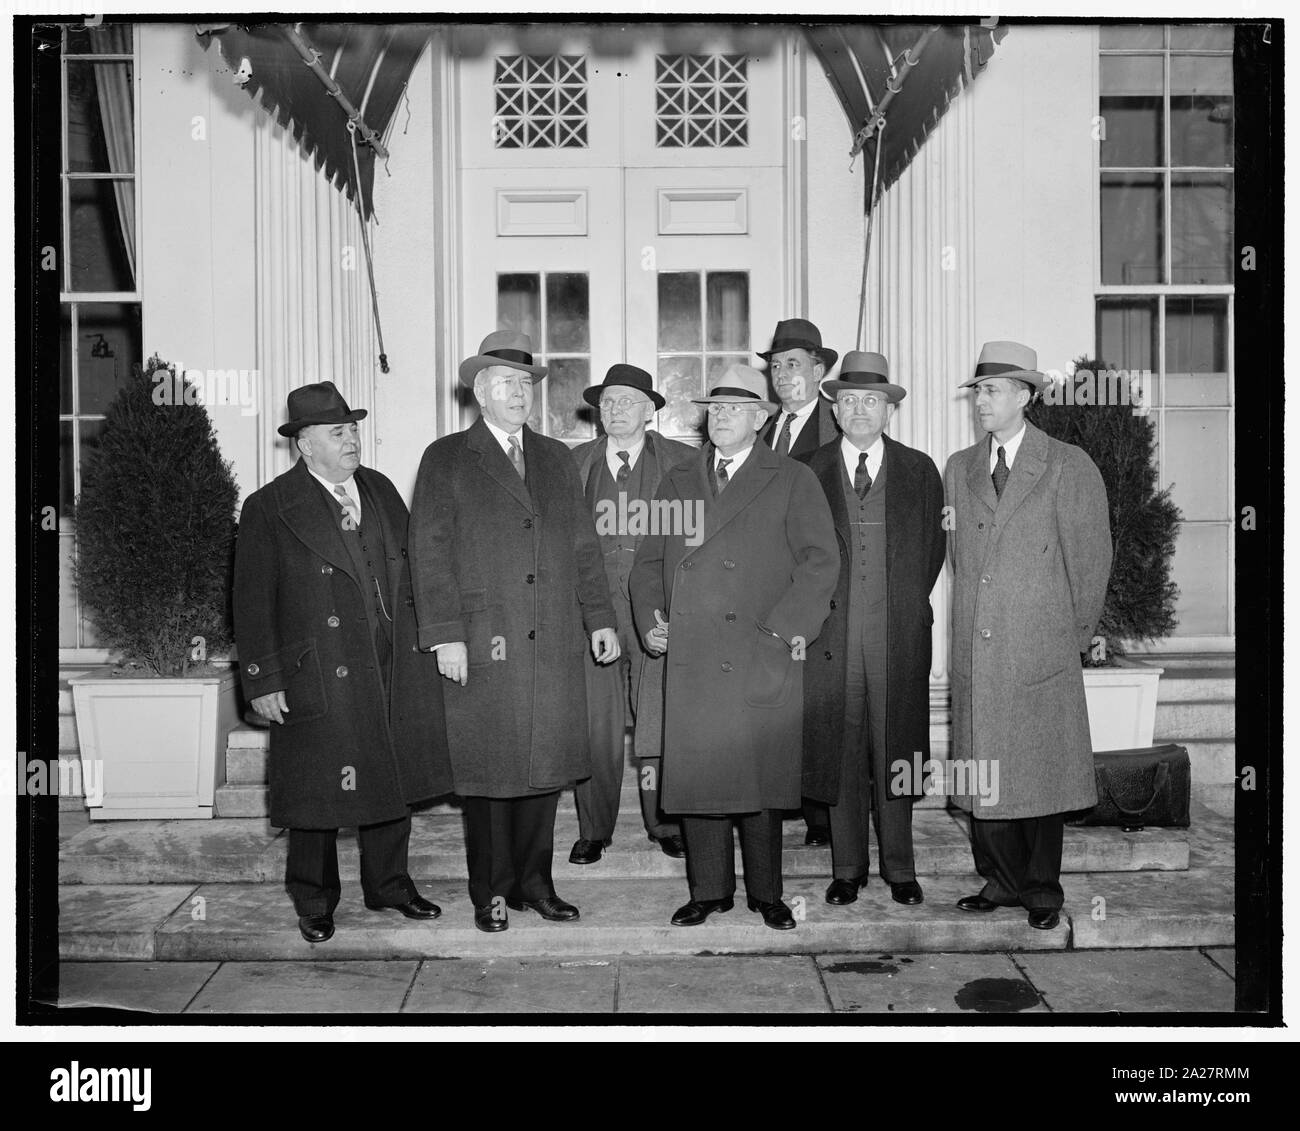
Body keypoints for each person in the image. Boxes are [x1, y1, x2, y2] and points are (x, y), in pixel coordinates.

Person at [408, 331, 619, 933]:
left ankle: (536, 885)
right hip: (482, 641)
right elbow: (429, 551)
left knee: (544, 773)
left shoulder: (555, 456)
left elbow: (584, 548)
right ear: (480, 392)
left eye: (527, 384)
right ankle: (491, 893)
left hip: (551, 641)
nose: (520, 394)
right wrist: (445, 634)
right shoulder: (446, 457)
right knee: (490, 778)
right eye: (507, 383)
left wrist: (599, 619)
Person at [233, 381, 452, 944]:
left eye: (353, 428)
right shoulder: (269, 506)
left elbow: (414, 567)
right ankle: (314, 897)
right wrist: (263, 677)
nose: (351, 439)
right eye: (338, 432)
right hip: (319, 667)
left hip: (389, 658)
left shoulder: (378, 488)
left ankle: (390, 885)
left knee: (390, 775)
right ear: (305, 444)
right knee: (315, 792)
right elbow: (252, 601)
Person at [629, 364, 838, 930]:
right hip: (692, 656)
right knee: (700, 781)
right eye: (713, 408)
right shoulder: (677, 480)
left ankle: (766, 894)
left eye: (732, 408)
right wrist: (652, 621)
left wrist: (781, 632)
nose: (719, 416)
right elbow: (647, 565)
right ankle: (710, 891)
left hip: (760, 651)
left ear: (759, 418)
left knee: (760, 784)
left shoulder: (792, 478)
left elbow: (821, 565)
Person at [945, 340, 1113, 930]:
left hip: (1039, 647)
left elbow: (1091, 561)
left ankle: (1041, 888)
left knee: (1039, 773)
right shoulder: (959, 466)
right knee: (984, 770)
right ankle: (999, 879)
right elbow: (958, 557)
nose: (980, 402)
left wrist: (1069, 640)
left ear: (1024, 395)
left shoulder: (1068, 464)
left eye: (990, 391)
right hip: (978, 648)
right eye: (978, 392)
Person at [801, 353, 946, 908]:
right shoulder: (809, 470)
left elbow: (932, 551)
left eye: (872, 401)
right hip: (830, 639)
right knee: (840, 750)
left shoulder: (919, 470)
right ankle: (847, 868)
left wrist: (902, 605)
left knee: (897, 749)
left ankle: (901, 867)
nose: (859, 410)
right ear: (835, 410)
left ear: (889, 410)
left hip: (896, 635)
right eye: (849, 401)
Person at [568, 364, 695, 865]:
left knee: (658, 722)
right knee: (595, 725)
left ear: (650, 410)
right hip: (591, 613)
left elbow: (696, 539)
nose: (614, 410)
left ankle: (663, 822)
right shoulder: (573, 463)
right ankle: (594, 829)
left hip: (658, 615)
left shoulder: (685, 463)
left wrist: (680, 609)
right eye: (607, 402)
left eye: (625, 401)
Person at [756, 317, 842, 845]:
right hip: (765, 597)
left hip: (822, 594)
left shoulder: (844, 426)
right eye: (775, 366)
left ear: (818, 370)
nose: (783, 375)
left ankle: (822, 816)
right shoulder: (759, 431)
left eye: (794, 364)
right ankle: (778, 798)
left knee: (820, 707)